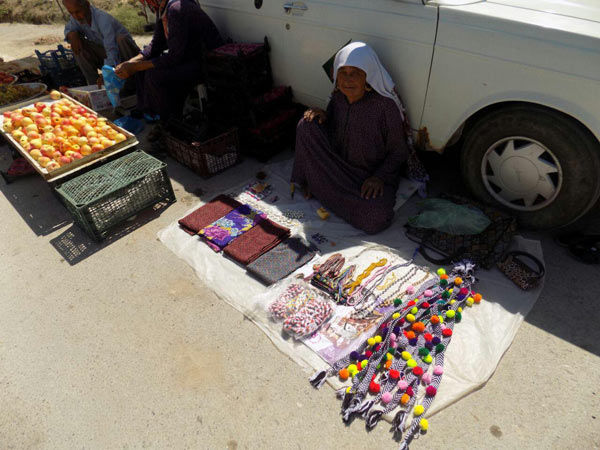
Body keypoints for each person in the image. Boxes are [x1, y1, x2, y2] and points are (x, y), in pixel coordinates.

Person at [291, 42, 411, 234]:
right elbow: (335, 129)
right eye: (343, 72)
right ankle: (313, 182)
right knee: (306, 125)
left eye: (355, 72)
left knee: (375, 218)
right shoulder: (338, 98)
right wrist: (324, 115)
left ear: (368, 77)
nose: (348, 79)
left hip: (366, 178)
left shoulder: (385, 107)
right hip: (338, 166)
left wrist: (378, 178)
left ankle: (321, 188)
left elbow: (399, 151)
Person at [115, 0, 223, 138]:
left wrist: (136, 66)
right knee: (142, 70)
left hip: (205, 63)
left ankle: (170, 123)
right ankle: (153, 114)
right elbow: (156, 44)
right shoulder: (163, 8)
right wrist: (131, 62)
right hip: (186, 58)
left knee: (155, 75)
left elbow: (174, 57)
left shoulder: (176, 9)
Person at [63, 0, 140, 87]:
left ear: (87, 5)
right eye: (71, 13)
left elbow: (111, 49)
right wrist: (72, 34)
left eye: (77, 12)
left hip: (125, 55)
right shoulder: (76, 18)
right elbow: (69, 28)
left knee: (121, 39)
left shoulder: (103, 19)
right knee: (78, 45)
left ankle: (135, 81)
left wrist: (107, 73)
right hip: (106, 54)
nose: (75, 16)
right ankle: (94, 86)